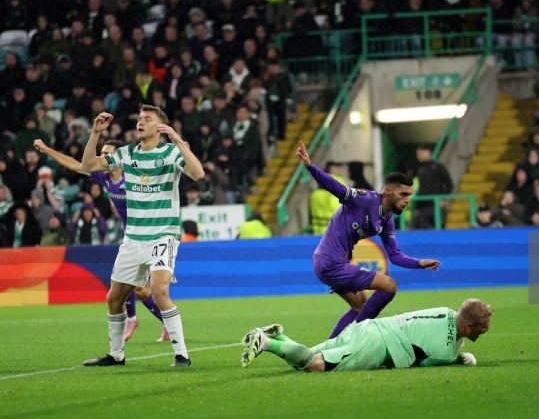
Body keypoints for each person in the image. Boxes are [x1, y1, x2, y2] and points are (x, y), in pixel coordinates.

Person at [80, 107, 205, 368]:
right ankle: (116, 355)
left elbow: (198, 173)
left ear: (160, 126)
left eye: (147, 119)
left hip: (163, 235)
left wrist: (176, 139)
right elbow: (88, 165)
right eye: (139, 118)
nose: (140, 122)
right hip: (134, 238)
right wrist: (95, 133)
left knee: (159, 291)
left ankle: (182, 354)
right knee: (114, 299)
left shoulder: (171, 153)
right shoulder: (126, 154)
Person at [295, 140, 441, 338]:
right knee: (389, 286)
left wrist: (420, 263)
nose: (407, 199)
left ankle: (327, 350)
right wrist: (310, 166)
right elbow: (336, 187)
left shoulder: (387, 218)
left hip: (331, 262)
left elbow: (395, 255)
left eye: (410, 195)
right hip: (330, 262)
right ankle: (356, 336)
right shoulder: (364, 199)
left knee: (359, 305)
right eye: (403, 194)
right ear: (388, 191)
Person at [33, 139, 167, 343]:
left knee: (141, 287)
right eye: (101, 153)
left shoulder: (134, 173)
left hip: (150, 234)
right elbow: (75, 164)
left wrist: (180, 150)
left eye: (106, 154)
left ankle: (146, 321)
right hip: (131, 236)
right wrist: (48, 150)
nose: (102, 157)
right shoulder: (103, 176)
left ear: (118, 156)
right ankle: (146, 321)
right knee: (133, 285)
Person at [240, 298, 492, 371]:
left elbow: (444, 334)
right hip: (376, 346)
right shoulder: (446, 351)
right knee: (315, 365)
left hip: (368, 328)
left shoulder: (445, 311)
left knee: (305, 357)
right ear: (469, 327)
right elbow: (426, 362)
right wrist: (460, 359)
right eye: (484, 326)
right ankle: (265, 342)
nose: (487, 330)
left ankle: (279, 337)